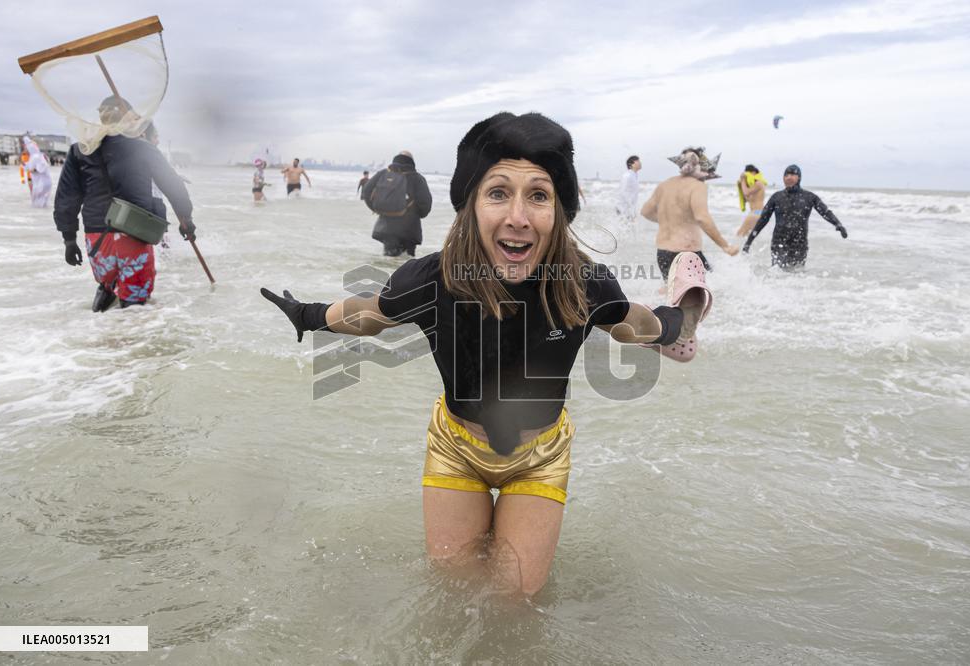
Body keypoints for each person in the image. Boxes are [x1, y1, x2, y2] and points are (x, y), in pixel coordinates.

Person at [262, 112, 714, 595]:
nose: (518, 216)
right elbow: (371, 315)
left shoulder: (582, 283)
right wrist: (307, 315)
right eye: (498, 192)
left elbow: (628, 325)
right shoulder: (433, 280)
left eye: (538, 195)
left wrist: (670, 323)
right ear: (471, 205)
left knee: (512, 601)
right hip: (456, 448)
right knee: (454, 595)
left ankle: (682, 324)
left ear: (559, 210)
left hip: (540, 456)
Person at [54, 96, 196, 311]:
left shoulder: (80, 149)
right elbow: (172, 185)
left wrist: (69, 239)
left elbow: (67, 197)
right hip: (133, 230)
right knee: (134, 304)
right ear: (127, 117)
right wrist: (186, 219)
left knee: (108, 287)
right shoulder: (142, 148)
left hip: (96, 237)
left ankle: (98, 339)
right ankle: (126, 341)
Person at [641, 146, 739, 282]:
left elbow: (645, 211)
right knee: (705, 293)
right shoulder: (697, 186)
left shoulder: (665, 185)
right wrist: (725, 246)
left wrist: (669, 220)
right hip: (686, 253)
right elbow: (702, 218)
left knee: (672, 293)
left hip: (662, 253)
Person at [742, 164, 848, 269]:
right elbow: (762, 220)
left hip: (800, 244)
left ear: (799, 177)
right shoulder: (776, 197)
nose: (788, 177)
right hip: (779, 243)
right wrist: (748, 242)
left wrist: (838, 224)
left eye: (792, 174)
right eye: (786, 175)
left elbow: (826, 212)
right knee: (778, 274)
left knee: (797, 277)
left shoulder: (810, 197)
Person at [362, 151, 432, 257]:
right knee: (407, 265)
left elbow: (366, 191)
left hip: (387, 228)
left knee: (389, 261)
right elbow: (426, 204)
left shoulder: (384, 174)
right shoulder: (417, 178)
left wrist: (376, 208)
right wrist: (417, 214)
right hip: (410, 229)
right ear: (411, 162)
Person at [736, 164, 767, 237]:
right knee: (748, 237)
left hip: (757, 212)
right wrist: (741, 186)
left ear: (753, 173)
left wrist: (743, 181)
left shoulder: (759, 183)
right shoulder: (753, 186)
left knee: (740, 234)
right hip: (756, 213)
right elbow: (746, 198)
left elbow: (746, 192)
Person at [22, 136, 52, 208]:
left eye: (26, 148)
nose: (25, 149)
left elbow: (41, 168)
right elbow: (28, 167)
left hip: (42, 182)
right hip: (42, 182)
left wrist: (32, 170)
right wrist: (24, 165)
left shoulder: (36, 157)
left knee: (36, 202)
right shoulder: (35, 156)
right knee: (41, 202)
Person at [614, 155, 641, 223]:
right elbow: (623, 192)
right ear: (631, 164)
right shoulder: (627, 176)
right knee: (624, 229)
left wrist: (633, 211)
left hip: (628, 209)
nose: (640, 163)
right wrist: (630, 211)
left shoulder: (634, 175)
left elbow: (632, 195)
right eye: (637, 161)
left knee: (628, 230)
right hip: (623, 208)